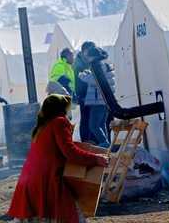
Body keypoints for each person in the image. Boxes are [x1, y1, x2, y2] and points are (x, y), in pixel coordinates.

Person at [7, 94, 108, 223]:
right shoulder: (59, 122)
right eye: (67, 108)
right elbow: (70, 152)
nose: (69, 111)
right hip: (47, 180)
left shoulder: (42, 126)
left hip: (30, 181)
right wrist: (95, 159)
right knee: (70, 217)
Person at [78, 47, 115, 148]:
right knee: (101, 124)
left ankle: (105, 144)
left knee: (93, 125)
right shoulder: (104, 65)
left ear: (92, 56)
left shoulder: (97, 65)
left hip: (98, 101)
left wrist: (82, 75)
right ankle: (106, 145)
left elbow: (95, 80)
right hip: (104, 101)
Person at [74, 42, 96, 143]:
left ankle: (90, 141)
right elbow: (81, 82)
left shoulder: (85, 61)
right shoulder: (79, 64)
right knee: (86, 119)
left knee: (89, 119)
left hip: (90, 95)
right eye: (90, 50)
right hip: (84, 95)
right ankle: (87, 141)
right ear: (84, 51)